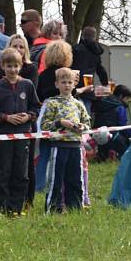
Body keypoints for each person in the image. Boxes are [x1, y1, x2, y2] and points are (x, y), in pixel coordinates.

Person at [0, 48, 40, 216]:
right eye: (9, 66)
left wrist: (28, 117)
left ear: (21, 66)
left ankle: (15, 208)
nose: (13, 70)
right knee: (2, 172)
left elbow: (36, 107)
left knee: (21, 173)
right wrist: (6, 118)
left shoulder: (27, 85)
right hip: (4, 137)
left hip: (23, 136)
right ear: (2, 66)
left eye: (16, 66)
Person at [39, 67, 92, 213]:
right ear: (57, 84)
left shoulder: (78, 104)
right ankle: (52, 208)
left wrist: (82, 126)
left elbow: (87, 123)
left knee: (75, 179)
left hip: (76, 146)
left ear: (75, 84)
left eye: (70, 82)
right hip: (58, 145)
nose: (67, 85)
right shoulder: (51, 103)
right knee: (56, 179)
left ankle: (75, 208)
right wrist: (60, 123)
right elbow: (44, 126)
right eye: (63, 82)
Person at [92, 84, 131, 160]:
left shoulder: (103, 102)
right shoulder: (120, 107)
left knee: (103, 155)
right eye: (127, 98)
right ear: (121, 96)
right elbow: (123, 128)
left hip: (96, 135)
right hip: (112, 136)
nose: (128, 101)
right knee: (127, 153)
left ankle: (102, 155)